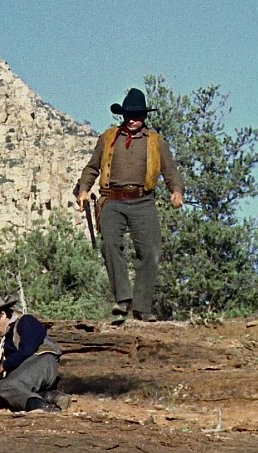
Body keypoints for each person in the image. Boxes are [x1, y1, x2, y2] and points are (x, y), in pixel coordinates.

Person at [75, 88, 184, 323]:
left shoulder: (156, 141)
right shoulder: (108, 138)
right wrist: (84, 189)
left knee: (151, 251)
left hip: (143, 200)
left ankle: (142, 307)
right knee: (110, 245)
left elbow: (170, 170)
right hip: (112, 199)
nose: (132, 119)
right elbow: (92, 167)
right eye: (128, 115)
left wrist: (176, 190)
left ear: (144, 116)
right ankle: (122, 300)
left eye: (136, 115)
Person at [0, 294, 70, 413]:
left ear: (3, 315)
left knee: (10, 387)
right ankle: (47, 396)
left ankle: (43, 408)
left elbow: (27, 350)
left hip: (42, 362)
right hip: (19, 377)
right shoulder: (6, 340)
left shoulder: (26, 321)